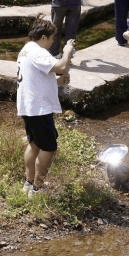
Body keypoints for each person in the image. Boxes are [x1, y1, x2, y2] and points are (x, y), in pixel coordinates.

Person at [16, 18, 76, 198]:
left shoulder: (26, 49)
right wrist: (67, 52)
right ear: (43, 37)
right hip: (38, 109)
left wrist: (57, 82)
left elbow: (33, 78)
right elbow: (61, 66)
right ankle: (38, 189)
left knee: (34, 144)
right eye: (52, 38)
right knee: (49, 147)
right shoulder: (37, 52)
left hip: (28, 106)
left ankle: (28, 183)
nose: (52, 42)